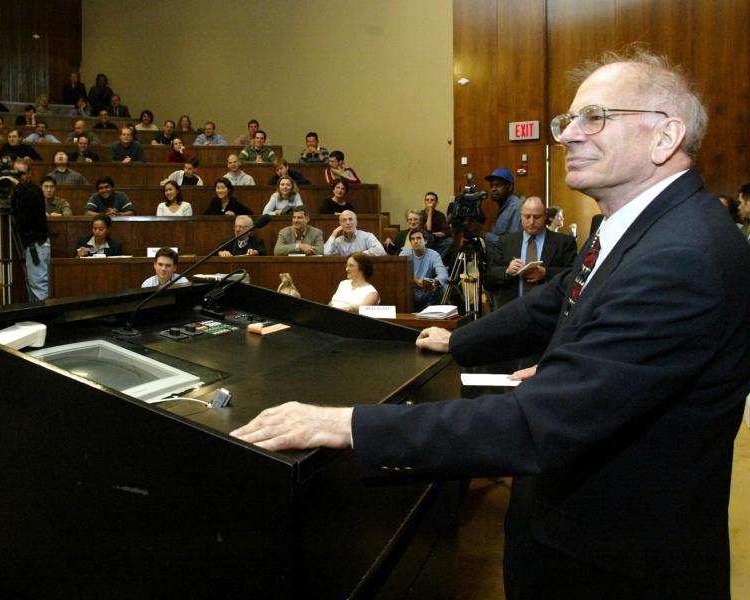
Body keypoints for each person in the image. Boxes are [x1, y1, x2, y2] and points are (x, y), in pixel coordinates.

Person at [231, 49, 750, 599]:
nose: (568, 135)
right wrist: (460, 340)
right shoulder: (632, 223)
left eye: (594, 117)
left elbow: (540, 423)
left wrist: (348, 425)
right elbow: (562, 298)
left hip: (614, 562)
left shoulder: (682, 254)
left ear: (664, 137)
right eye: (567, 121)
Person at [484, 197, 578, 309]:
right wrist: (507, 271)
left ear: (545, 216)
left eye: (537, 217)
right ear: (521, 216)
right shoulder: (505, 242)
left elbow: (574, 274)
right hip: (512, 311)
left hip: (549, 311)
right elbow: (489, 277)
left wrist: (546, 273)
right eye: (527, 217)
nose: (531, 222)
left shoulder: (564, 242)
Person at [0, 158, 50, 301]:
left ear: (29, 173)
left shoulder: (34, 190)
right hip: (26, 243)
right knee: (31, 283)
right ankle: (34, 313)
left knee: (38, 282)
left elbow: (30, 203)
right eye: (16, 173)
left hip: (36, 243)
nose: (19, 176)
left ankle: (44, 316)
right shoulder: (16, 192)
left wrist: (17, 185)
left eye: (22, 173)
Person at [400, 230, 448, 310]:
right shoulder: (404, 254)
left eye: (419, 238)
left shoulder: (433, 255)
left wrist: (434, 282)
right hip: (410, 290)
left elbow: (443, 274)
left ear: (425, 241)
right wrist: (414, 281)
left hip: (426, 290)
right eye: (412, 239)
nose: (415, 241)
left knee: (443, 286)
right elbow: (399, 275)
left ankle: (427, 312)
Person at [483, 167, 523, 245]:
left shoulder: (516, 207)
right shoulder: (503, 207)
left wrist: (483, 234)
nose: (493, 189)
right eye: (492, 186)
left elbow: (513, 242)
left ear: (510, 187)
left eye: (498, 185)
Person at [421, 191, 453, 258]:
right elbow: (428, 229)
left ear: (436, 203)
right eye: (427, 200)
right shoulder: (420, 214)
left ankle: (436, 259)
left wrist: (442, 233)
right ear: (424, 202)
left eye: (432, 200)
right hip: (424, 242)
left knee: (449, 240)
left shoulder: (440, 215)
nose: (429, 202)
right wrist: (430, 213)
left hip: (437, 241)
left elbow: (447, 230)